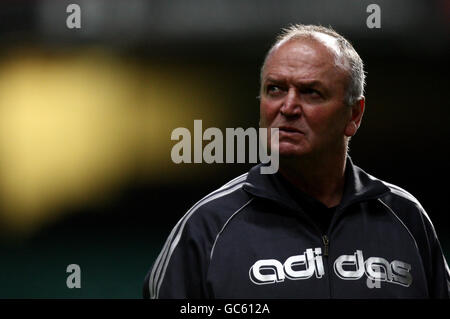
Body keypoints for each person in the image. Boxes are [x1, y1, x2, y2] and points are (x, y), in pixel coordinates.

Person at [143, 24, 450, 298]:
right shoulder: (206, 228)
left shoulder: (406, 219)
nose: (288, 107)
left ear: (354, 115)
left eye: (311, 92)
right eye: (275, 89)